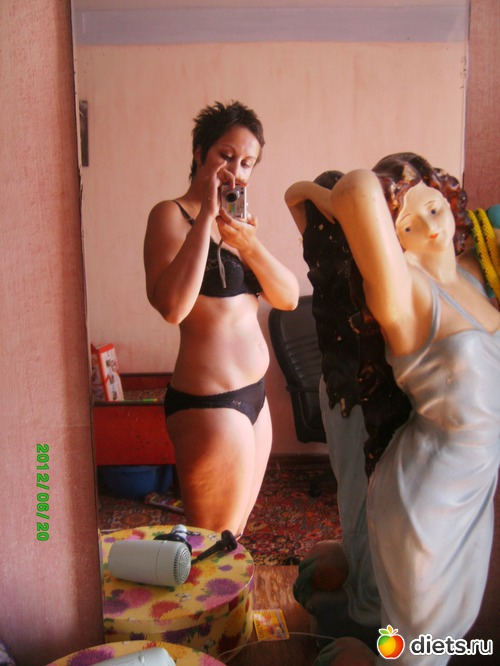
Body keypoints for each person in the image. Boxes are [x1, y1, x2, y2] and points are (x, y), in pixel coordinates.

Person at [286, 153, 500, 665]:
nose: (429, 228)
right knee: (416, 647)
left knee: (446, 636)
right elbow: (357, 190)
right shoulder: (404, 292)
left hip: (475, 485)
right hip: (426, 489)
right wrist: (323, 197)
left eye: (433, 208)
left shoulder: (475, 271)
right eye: (405, 224)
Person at [144, 101, 299, 535]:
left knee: (233, 537)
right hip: (210, 405)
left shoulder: (238, 226)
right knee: (211, 543)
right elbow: (172, 307)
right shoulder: (170, 215)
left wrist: (248, 244)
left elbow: (287, 298)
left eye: (247, 163)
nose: (236, 171)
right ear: (200, 154)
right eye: (225, 156)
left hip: (254, 397)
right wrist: (205, 219)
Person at [285, 171, 411, 645]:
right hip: (341, 387)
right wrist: (330, 197)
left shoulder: (369, 234)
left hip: (365, 388)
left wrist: (328, 199)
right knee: (356, 498)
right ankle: (365, 599)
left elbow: (296, 195)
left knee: (369, 500)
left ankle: (371, 604)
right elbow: (294, 192)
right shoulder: (327, 223)